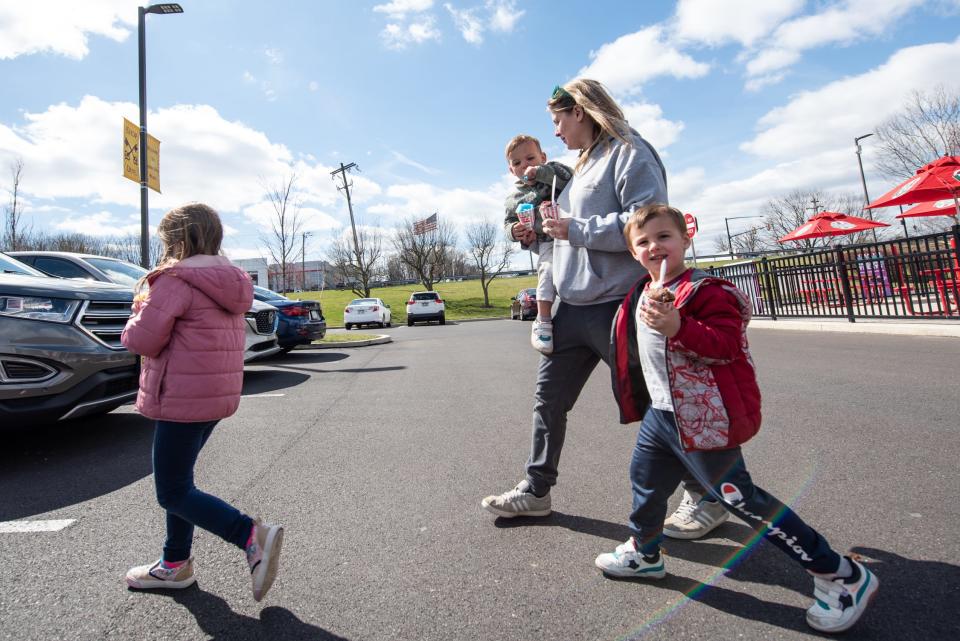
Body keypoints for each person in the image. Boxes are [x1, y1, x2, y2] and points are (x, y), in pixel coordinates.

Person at [595, 204, 878, 634]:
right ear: (634, 253)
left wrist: (678, 327)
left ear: (685, 239)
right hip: (662, 416)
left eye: (664, 236)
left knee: (738, 497)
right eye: (644, 242)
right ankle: (646, 553)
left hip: (705, 420)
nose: (655, 246)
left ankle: (841, 575)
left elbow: (726, 345)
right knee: (646, 485)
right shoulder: (639, 292)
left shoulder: (707, 291)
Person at [482, 79, 697, 519]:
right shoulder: (580, 166)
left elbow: (648, 224)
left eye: (558, 120)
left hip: (619, 302)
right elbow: (565, 231)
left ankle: (707, 494)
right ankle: (537, 489)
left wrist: (573, 229)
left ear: (578, 111)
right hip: (572, 306)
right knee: (548, 400)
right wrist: (536, 233)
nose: (556, 132)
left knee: (658, 398)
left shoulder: (630, 151)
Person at [121, 202, 284, 602]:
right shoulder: (231, 280)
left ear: (177, 239)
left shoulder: (174, 281)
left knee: (171, 492)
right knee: (181, 484)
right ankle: (174, 564)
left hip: (180, 397)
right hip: (213, 398)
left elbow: (142, 341)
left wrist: (137, 313)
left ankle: (248, 534)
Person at [502, 134, 572, 353]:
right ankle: (543, 321)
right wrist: (515, 231)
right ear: (511, 170)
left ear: (543, 157)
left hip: (572, 233)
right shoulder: (514, 197)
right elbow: (508, 223)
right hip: (546, 241)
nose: (525, 166)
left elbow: (568, 176)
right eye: (517, 163)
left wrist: (540, 172)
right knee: (547, 272)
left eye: (530, 158)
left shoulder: (553, 173)